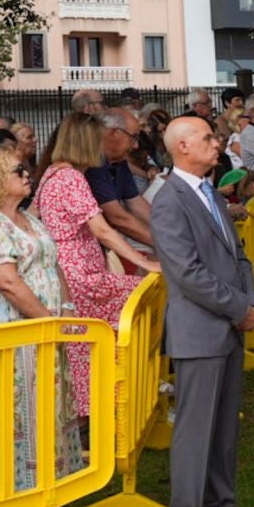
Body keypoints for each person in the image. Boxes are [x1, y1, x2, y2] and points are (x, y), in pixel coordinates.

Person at [150, 115, 254, 507]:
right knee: (196, 430)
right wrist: (240, 308)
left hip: (227, 325)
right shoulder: (170, 200)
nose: (217, 142)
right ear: (182, 146)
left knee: (223, 427)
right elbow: (187, 273)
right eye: (207, 137)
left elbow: (238, 254)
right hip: (200, 330)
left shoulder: (210, 192)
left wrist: (249, 301)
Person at [0, 146, 75, 507]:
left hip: (43, 328)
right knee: (16, 415)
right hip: (14, 328)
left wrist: (66, 310)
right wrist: (48, 321)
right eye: (18, 171)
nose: (28, 175)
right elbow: (7, 283)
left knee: (48, 410)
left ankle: (50, 495)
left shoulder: (29, 218)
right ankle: (14, 505)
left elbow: (53, 265)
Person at [34, 114, 158, 425]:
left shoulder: (53, 172)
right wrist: (144, 261)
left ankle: (93, 410)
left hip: (68, 272)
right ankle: (125, 396)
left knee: (83, 347)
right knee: (140, 302)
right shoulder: (71, 178)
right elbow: (102, 229)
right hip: (79, 275)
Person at [89, 108, 155, 246]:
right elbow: (117, 218)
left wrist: (169, 234)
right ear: (113, 132)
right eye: (133, 137)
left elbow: (136, 203)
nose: (136, 145)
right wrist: (167, 246)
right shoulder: (92, 163)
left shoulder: (119, 161)